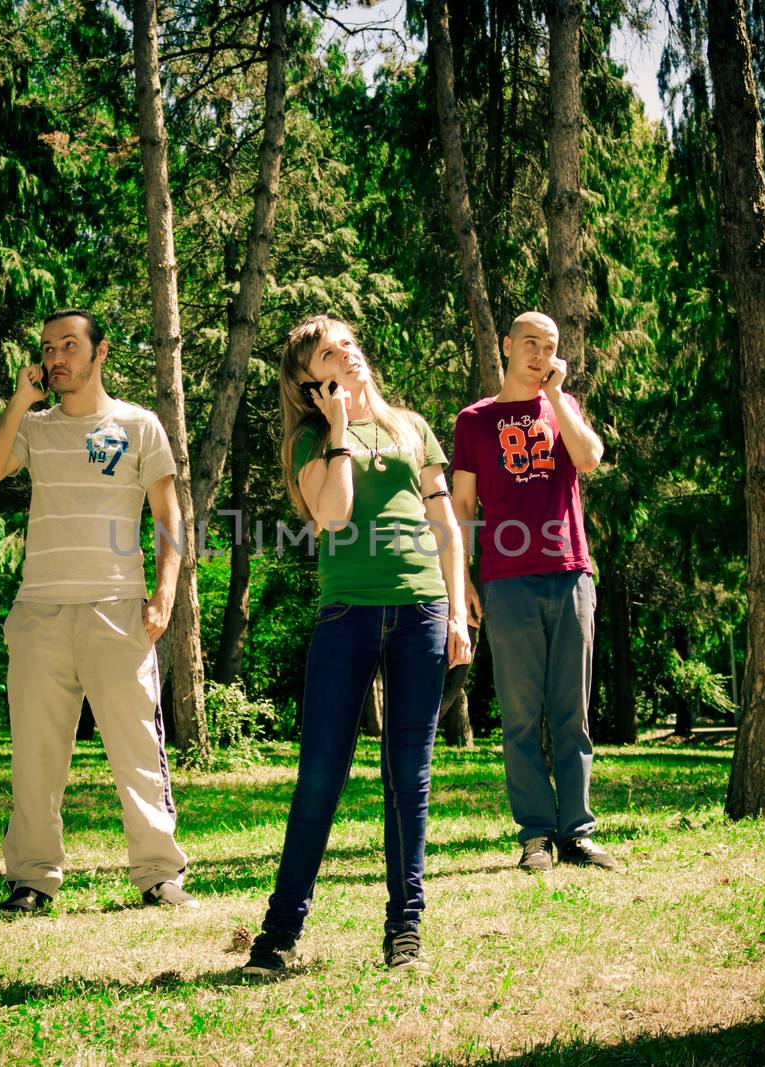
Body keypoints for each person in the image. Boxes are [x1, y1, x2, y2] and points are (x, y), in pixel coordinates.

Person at [242, 315, 472, 976]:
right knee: (321, 773)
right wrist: (340, 431)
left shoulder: (411, 426)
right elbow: (335, 514)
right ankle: (279, 933)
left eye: (347, 342)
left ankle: (405, 929)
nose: (347, 352)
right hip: (346, 615)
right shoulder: (311, 443)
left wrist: (457, 609)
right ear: (312, 385)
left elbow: (445, 524)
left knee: (410, 775)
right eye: (327, 353)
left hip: (421, 610)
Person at [0, 308, 196, 914]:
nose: (56, 357)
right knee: (35, 758)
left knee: (138, 753)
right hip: (40, 613)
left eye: (70, 345)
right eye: (48, 348)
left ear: (100, 353)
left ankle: (159, 875)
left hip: (118, 613)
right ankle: (31, 879)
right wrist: (19, 402)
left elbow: (170, 516)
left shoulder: (139, 425)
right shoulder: (33, 428)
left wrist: (165, 592)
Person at [450, 310, 614, 872]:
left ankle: (578, 833)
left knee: (573, 714)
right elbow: (463, 508)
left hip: (571, 573)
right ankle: (536, 836)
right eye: (529, 344)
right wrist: (462, 580)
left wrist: (560, 397)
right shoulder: (473, 421)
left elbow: (590, 458)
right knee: (521, 716)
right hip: (505, 580)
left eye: (549, 347)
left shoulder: (562, 410)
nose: (539, 356)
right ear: (506, 345)